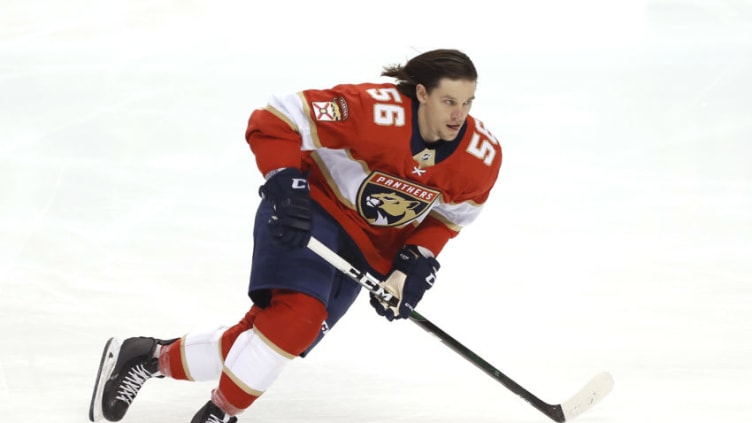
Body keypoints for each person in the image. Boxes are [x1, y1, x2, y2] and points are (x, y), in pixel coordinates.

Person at [88, 48, 502, 423]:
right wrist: (284, 179)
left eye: (467, 103)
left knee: (267, 338)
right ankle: (219, 414)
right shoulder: (371, 111)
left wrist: (413, 261)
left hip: (367, 248)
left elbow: (450, 216)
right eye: (449, 101)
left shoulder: (480, 156)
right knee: (297, 321)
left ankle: (146, 358)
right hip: (312, 211)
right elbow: (278, 118)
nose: (458, 115)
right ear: (421, 94)